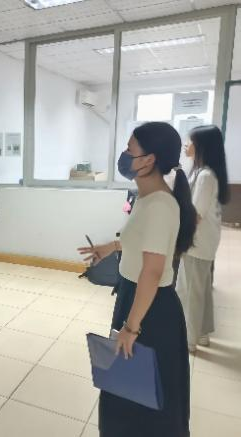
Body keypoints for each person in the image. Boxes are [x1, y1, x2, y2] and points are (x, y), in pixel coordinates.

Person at [78, 122, 196, 437]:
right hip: (136, 298)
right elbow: (144, 241)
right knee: (126, 384)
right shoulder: (147, 198)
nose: (125, 155)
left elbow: (152, 272)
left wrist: (131, 328)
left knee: (142, 390)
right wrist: (112, 247)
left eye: (130, 150)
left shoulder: (160, 205)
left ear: (148, 160)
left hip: (150, 309)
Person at [176, 125, 229, 352]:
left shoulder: (205, 176)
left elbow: (195, 215)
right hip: (203, 241)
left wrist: (177, 238)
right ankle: (203, 334)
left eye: (190, 141)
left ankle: (189, 340)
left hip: (197, 243)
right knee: (201, 289)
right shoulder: (202, 172)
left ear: (201, 146)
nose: (186, 145)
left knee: (190, 292)